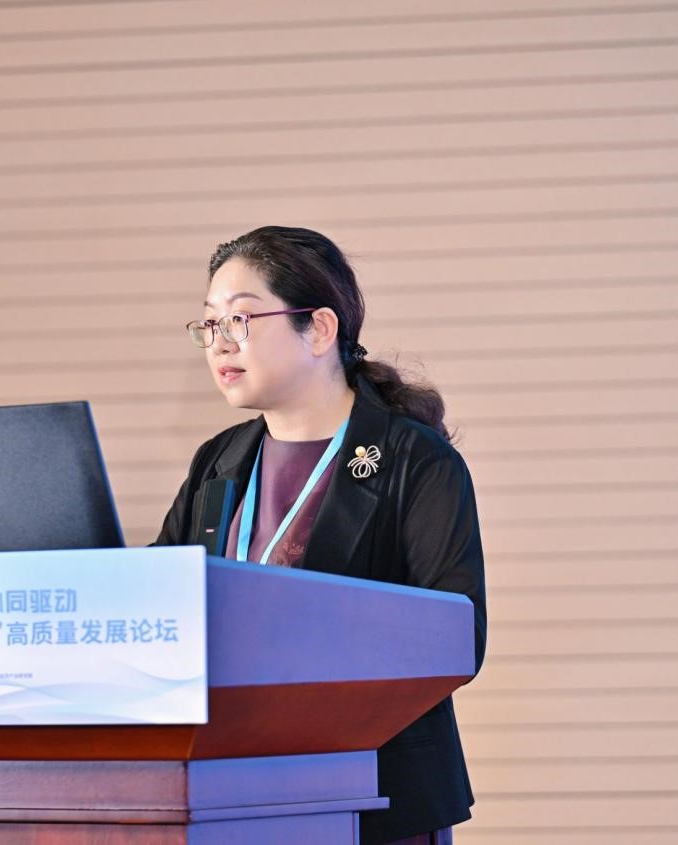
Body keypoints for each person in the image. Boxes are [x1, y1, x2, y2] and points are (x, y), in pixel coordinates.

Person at [155, 225, 487, 845]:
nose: (219, 342)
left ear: (319, 329)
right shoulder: (218, 460)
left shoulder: (413, 460)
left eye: (240, 319)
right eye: (210, 324)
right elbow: (162, 596)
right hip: (233, 788)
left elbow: (457, 635)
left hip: (377, 793)